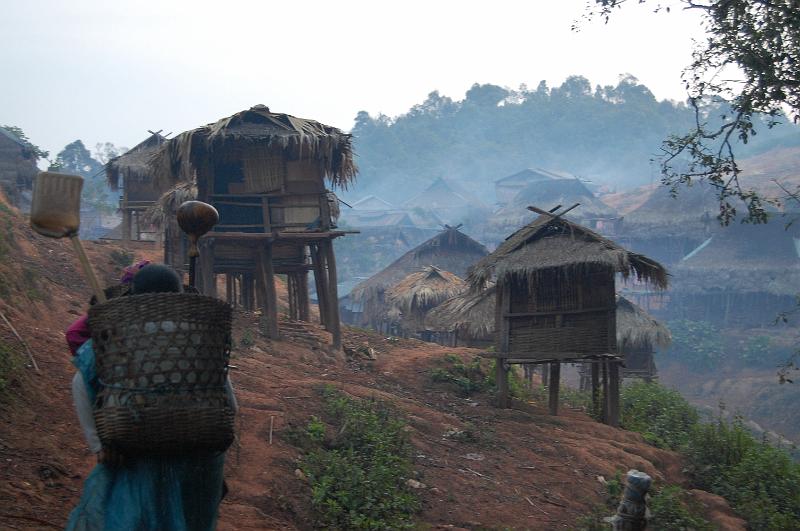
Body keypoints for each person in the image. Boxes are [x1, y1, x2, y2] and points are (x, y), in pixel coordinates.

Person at [65, 264, 236, 531]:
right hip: (194, 459)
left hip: (132, 455)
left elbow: (80, 382)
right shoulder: (196, 340)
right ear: (180, 297)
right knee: (191, 520)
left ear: (134, 298)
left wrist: (99, 445)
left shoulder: (116, 339)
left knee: (132, 519)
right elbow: (228, 400)